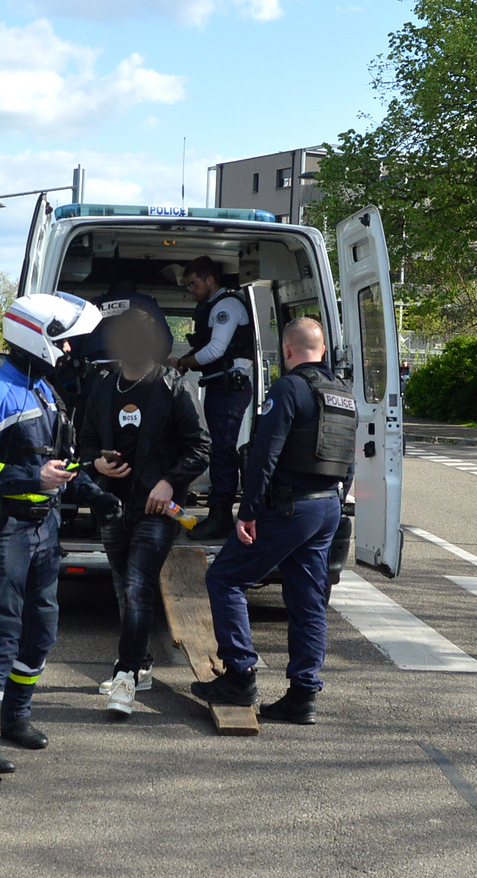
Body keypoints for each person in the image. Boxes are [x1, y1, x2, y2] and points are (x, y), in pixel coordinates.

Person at [0, 292, 102, 771]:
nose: (68, 352)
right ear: (35, 338)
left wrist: (94, 488)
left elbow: (55, 460)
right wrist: (30, 479)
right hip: (6, 527)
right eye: (62, 342)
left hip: (45, 527)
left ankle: (16, 715)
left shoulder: (44, 388)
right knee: (2, 633)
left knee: (42, 631)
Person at [191, 317, 355, 724]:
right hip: (327, 508)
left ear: (286, 351)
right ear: (323, 350)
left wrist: (247, 512)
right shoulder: (344, 395)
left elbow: (265, 454)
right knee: (308, 601)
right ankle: (302, 695)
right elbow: (348, 461)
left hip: (289, 508)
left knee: (225, 578)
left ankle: (240, 673)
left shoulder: (288, 389)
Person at [78, 307, 210, 717]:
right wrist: (96, 465)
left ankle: (125, 676)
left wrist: (170, 481)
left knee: (138, 585)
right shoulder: (101, 388)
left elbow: (200, 447)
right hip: (112, 503)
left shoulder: (173, 387)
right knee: (123, 586)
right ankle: (144, 665)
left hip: (158, 507)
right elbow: (83, 445)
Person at [172, 256, 253, 542]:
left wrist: (183, 361)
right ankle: (218, 514)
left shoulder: (226, 306)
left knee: (221, 450)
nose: (191, 290)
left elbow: (216, 350)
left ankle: (220, 518)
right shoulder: (214, 306)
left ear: (210, 279)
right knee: (219, 449)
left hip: (230, 387)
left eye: (193, 283)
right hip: (221, 386)